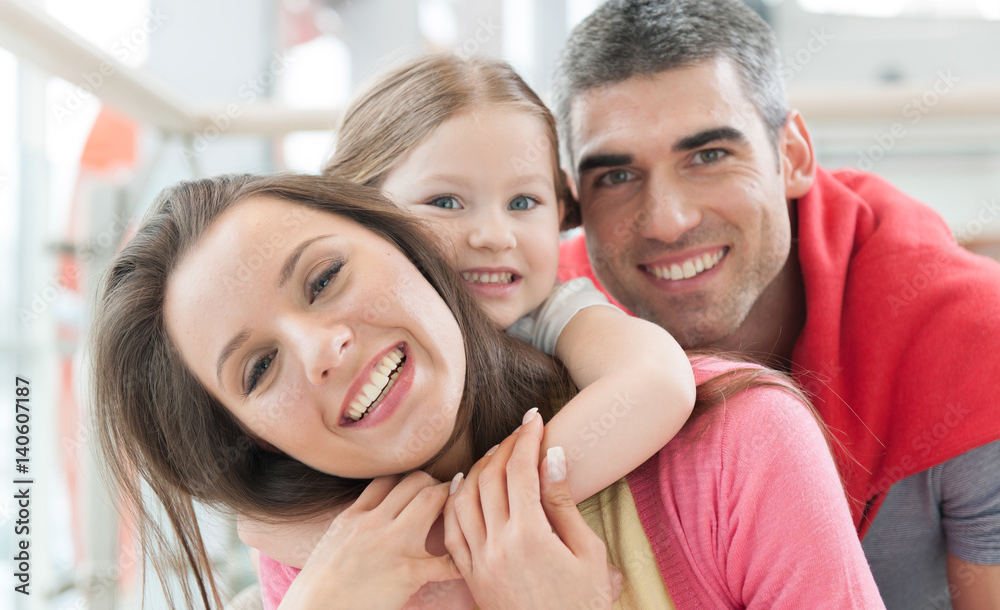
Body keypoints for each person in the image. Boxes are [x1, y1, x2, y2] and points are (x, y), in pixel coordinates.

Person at [90, 173, 884, 609]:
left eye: (325, 278)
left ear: (410, 247)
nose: (321, 348)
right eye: (259, 368)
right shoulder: (325, 574)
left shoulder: (738, 445)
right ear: (252, 438)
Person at [550, 0, 1000, 609]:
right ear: (572, 203)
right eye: (617, 175)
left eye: (708, 155)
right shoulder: (544, 326)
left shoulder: (972, 340)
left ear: (792, 156)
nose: (668, 221)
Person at [237, 53, 698, 574]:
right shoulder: (344, 353)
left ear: (561, 212)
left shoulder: (555, 310)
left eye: (523, 203)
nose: (495, 236)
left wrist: (458, 523)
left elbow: (659, 382)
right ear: (361, 217)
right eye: (446, 202)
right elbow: (261, 525)